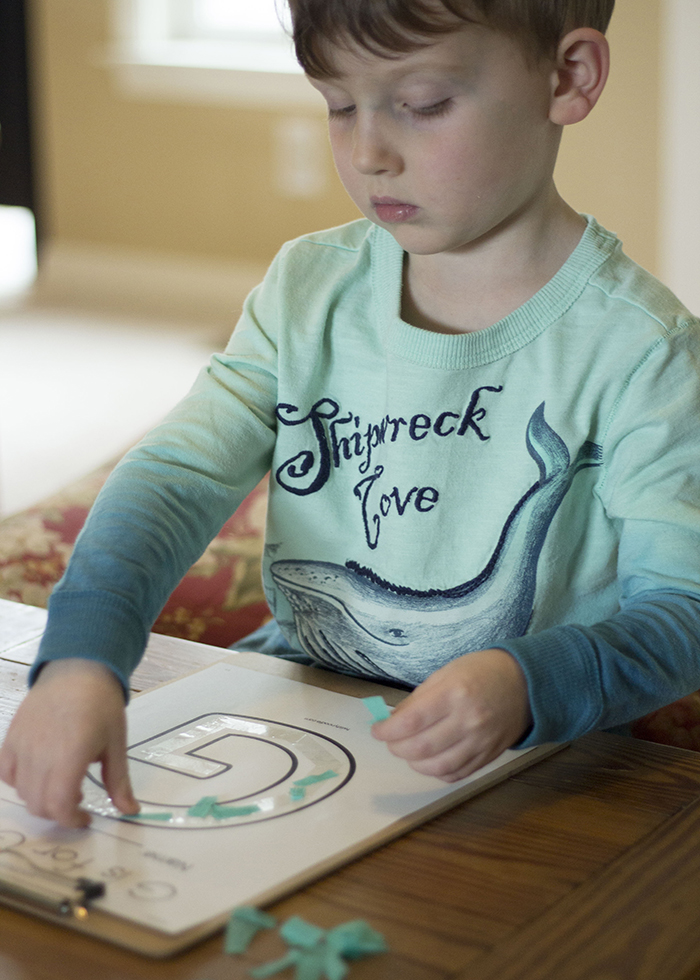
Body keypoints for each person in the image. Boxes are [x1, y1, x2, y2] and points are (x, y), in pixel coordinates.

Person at [3, 0, 700, 831]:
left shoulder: (643, 349)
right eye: (338, 104)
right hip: (291, 703)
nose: (368, 152)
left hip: (534, 759)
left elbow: (683, 606)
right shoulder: (306, 289)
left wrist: (530, 681)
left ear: (569, 76)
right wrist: (81, 656)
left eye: (424, 104)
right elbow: (175, 477)